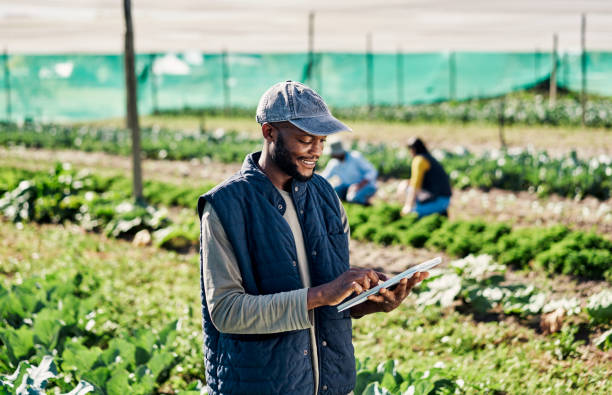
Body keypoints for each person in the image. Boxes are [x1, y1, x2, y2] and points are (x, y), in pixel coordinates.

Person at [197, 81, 428, 395]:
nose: (316, 151)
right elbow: (227, 312)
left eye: (321, 140)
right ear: (269, 132)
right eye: (305, 140)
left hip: (330, 384)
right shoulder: (226, 206)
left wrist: (367, 302)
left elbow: (331, 299)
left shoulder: (326, 196)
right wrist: (321, 294)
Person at [398, 137, 452, 217]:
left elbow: (415, 185)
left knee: (414, 214)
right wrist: (406, 182)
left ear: (413, 150)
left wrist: (408, 206)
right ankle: (439, 212)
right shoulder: (428, 158)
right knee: (407, 186)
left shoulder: (419, 160)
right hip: (444, 199)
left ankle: (429, 212)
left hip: (439, 200)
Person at [320, 141, 378, 205]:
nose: (331, 155)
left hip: (365, 185)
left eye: (333, 153)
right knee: (333, 194)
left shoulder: (355, 157)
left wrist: (358, 185)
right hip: (347, 187)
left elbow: (372, 171)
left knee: (353, 198)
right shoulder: (334, 163)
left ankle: (367, 204)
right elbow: (324, 177)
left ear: (339, 153)